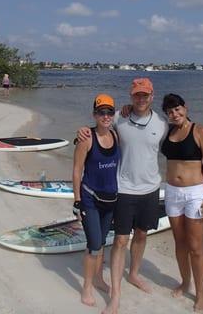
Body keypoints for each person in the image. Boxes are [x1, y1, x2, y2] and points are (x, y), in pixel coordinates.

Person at [77, 78, 169, 314]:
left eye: (145, 95)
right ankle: (115, 297)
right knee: (119, 240)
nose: (141, 99)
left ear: (152, 95)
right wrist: (81, 133)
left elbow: (178, 143)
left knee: (141, 234)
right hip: (124, 190)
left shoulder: (162, 123)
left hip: (150, 189)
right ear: (131, 96)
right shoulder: (119, 117)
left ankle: (135, 274)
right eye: (137, 95)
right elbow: (98, 128)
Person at [160, 93, 203, 312]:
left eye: (177, 109)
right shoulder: (169, 131)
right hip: (172, 193)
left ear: (185, 107)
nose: (175, 114)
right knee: (180, 243)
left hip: (195, 194)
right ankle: (185, 282)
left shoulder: (199, 131)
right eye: (170, 111)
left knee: (195, 247)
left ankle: (200, 294)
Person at [73, 94, 120, 307]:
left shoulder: (117, 136)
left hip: (110, 199)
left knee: (102, 243)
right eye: (102, 112)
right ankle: (87, 287)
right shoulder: (86, 138)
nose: (106, 116)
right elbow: (76, 170)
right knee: (93, 245)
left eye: (110, 111)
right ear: (94, 114)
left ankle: (99, 279)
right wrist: (77, 200)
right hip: (90, 198)